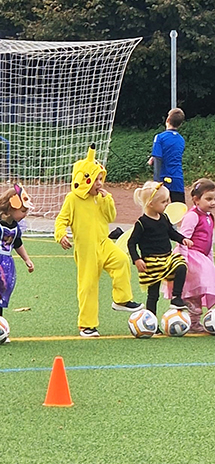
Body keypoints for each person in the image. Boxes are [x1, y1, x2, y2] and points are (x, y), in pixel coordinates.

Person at [55, 144, 143, 338]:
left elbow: (111, 217)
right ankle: (87, 325)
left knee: (121, 260)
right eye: (96, 179)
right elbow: (61, 220)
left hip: (104, 243)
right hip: (86, 250)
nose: (100, 183)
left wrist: (107, 200)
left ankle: (121, 299)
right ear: (84, 179)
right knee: (88, 286)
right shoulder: (72, 199)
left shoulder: (101, 198)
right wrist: (61, 234)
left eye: (101, 179)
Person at [128, 181, 192, 333]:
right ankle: (151, 323)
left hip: (167, 258)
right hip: (152, 262)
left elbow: (171, 233)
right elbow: (131, 243)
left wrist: (182, 239)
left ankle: (176, 298)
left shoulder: (164, 217)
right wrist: (137, 259)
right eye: (163, 202)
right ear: (151, 204)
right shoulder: (142, 223)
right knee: (153, 294)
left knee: (181, 266)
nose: (167, 204)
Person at [172, 178, 215, 333]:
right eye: (208, 199)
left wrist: (210, 261)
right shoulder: (192, 216)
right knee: (191, 291)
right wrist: (183, 259)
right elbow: (183, 238)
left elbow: (209, 241)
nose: (213, 203)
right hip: (191, 257)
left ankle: (194, 323)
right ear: (196, 199)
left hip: (202, 259)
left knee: (198, 291)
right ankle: (184, 315)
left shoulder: (209, 216)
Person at [0, 185, 35, 342]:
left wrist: (27, 259)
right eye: (22, 210)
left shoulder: (15, 227)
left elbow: (17, 243)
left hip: (6, 265)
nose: (25, 214)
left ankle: (1, 329)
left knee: (1, 296)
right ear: (11, 207)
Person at [148, 108, 186, 203]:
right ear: (180, 124)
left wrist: (156, 182)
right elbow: (172, 154)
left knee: (159, 207)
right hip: (177, 178)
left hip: (163, 177)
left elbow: (158, 158)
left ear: (167, 120)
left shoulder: (159, 137)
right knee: (178, 207)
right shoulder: (181, 140)